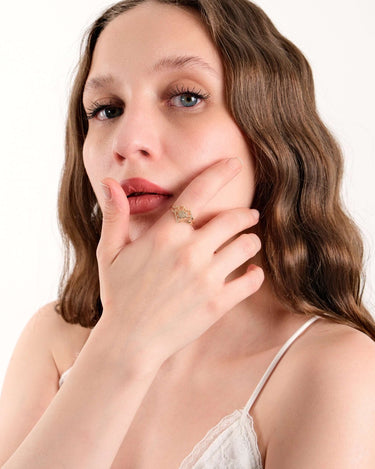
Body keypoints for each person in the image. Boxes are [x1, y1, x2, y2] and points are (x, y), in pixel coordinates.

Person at [1, 0, 375, 467]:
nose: (127, 142)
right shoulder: (54, 340)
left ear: (270, 137)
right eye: (107, 108)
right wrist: (124, 340)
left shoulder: (336, 368)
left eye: (187, 97)